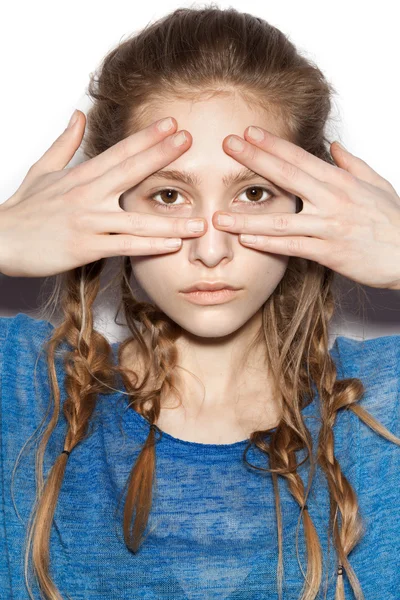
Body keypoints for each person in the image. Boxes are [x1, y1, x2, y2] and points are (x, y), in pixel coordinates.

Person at [1, 5, 400, 600]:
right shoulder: (26, 393)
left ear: (309, 202)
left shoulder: (381, 407)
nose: (211, 249)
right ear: (107, 204)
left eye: (254, 192)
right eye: (168, 195)